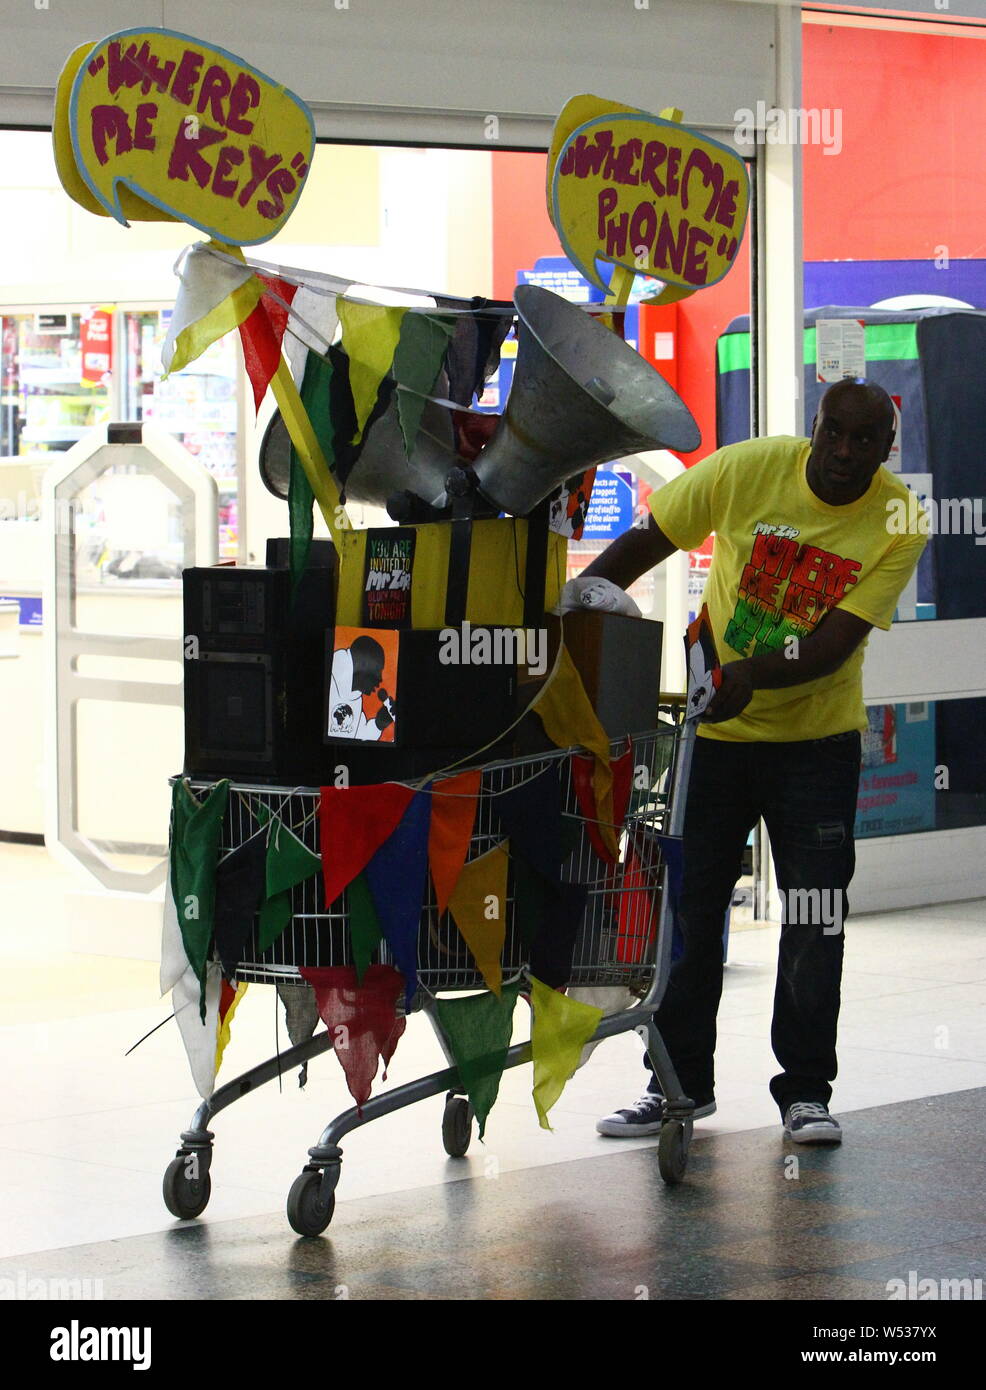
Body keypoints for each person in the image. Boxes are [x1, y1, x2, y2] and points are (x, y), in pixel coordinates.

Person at [577, 379, 926, 1144]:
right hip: (716, 739)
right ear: (815, 427)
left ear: (886, 448)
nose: (842, 453)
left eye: (863, 441)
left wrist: (748, 678)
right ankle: (677, 1087)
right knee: (690, 916)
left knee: (813, 918)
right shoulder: (747, 470)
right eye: (833, 433)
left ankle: (804, 1091)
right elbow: (647, 542)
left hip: (817, 745)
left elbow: (832, 644)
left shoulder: (901, 517)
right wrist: (580, 608)